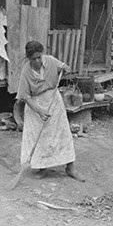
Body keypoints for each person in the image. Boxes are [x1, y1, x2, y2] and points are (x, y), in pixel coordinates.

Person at [15, 40, 84, 181]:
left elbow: (64, 67)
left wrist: (65, 67)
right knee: (39, 138)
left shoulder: (50, 61)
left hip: (54, 101)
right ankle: (42, 167)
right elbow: (25, 97)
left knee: (62, 134)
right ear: (29, 59)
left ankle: (70, 168)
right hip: (35, 105)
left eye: (39, 57)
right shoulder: (26, 72)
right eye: (34, 58)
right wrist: (39, 111)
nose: (38, 61)